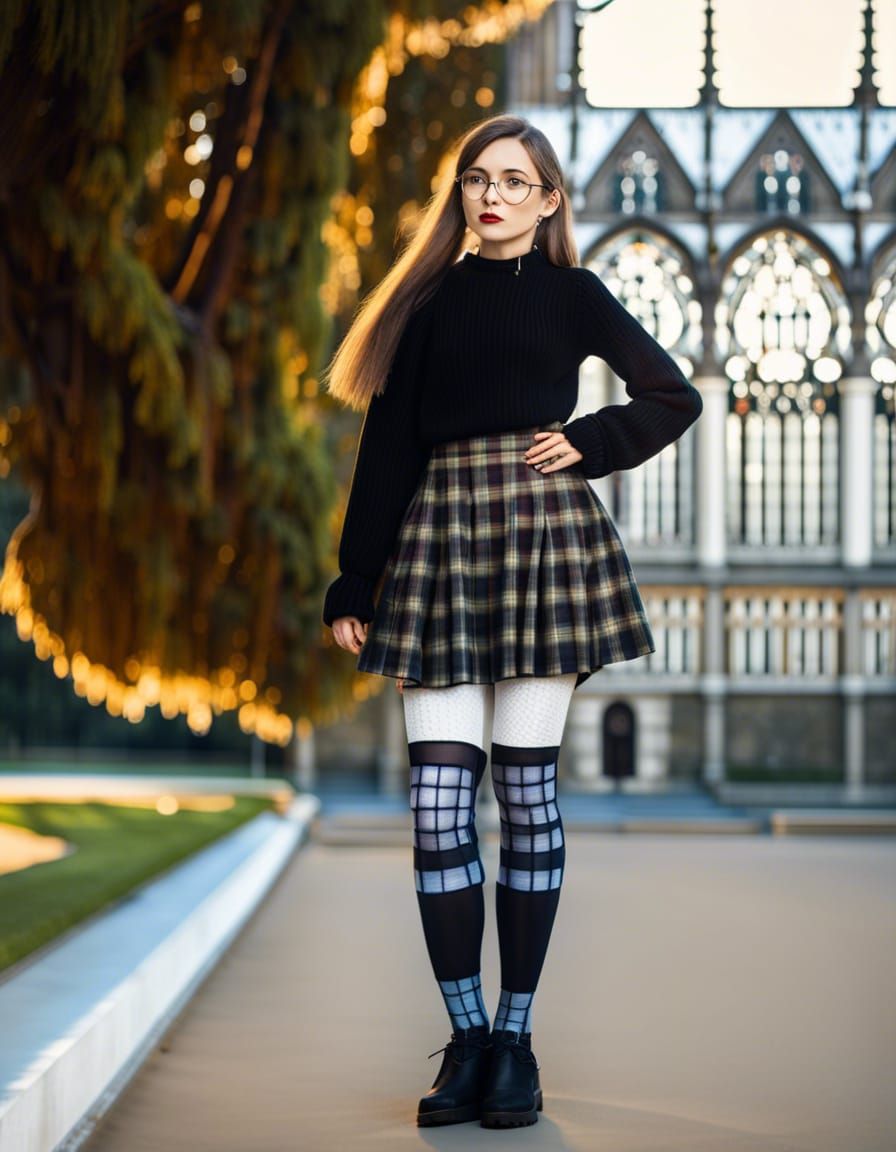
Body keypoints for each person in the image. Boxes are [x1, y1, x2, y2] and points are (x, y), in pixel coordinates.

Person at [321, 113, 703, 1129]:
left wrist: (588, 441)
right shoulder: (428, 304)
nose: (489, 195)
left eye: (512, 180)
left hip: (540, 544)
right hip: (438, 546)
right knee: (438, 810)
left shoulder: (574, 296)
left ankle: (517, 1042)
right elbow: (387, 451)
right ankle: (467, 1040)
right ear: (461, 195)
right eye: (475, 179)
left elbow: (672, 396)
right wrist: (354, 582)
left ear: (546, 200)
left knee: (526, 799)